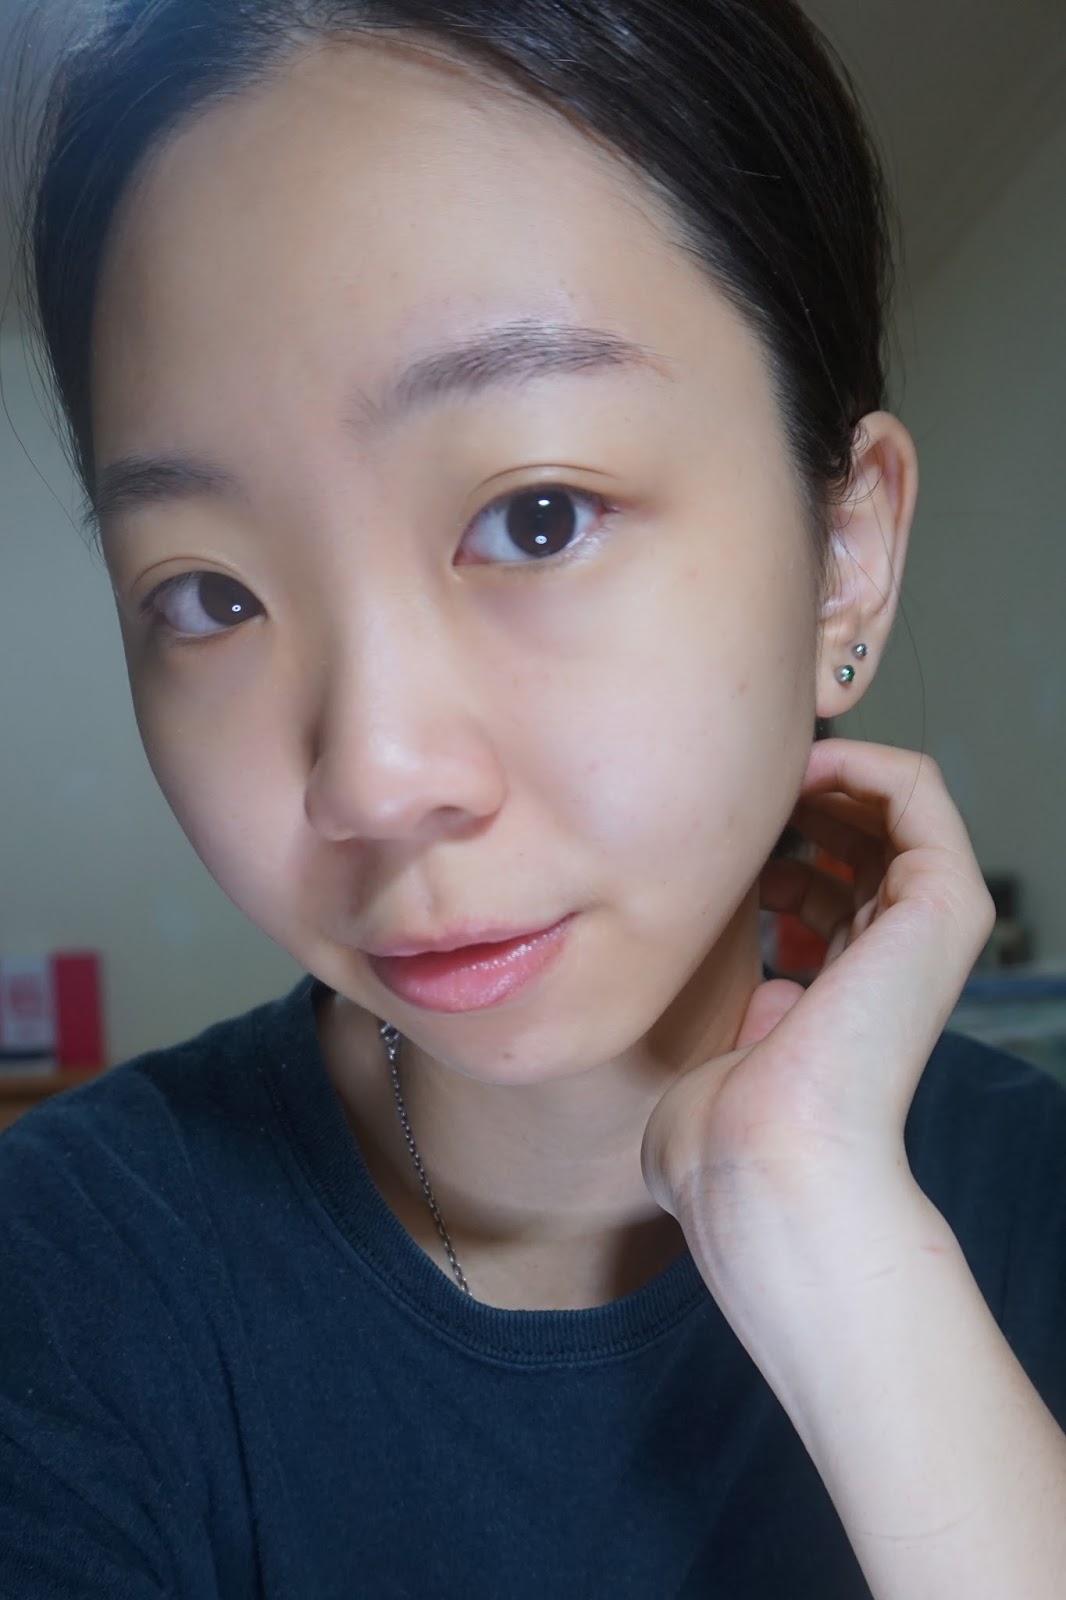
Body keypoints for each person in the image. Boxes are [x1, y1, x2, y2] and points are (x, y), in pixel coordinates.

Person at [2, 1, 1064, 1595]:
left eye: (539, 517)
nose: (373, 777)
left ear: (845, 553)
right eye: (209, 597)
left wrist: (830, 1242)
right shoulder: (67, 1282)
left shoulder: (1037, 1204)